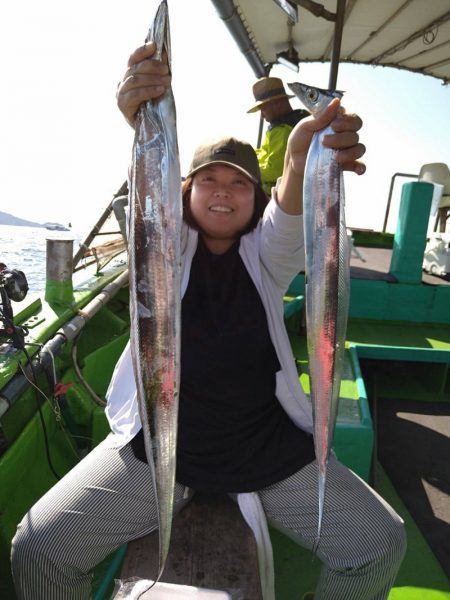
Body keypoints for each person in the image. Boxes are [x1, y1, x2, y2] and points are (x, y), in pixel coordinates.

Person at [11, 41, 406, 600]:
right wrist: (141, 118)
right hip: (157, 451)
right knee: (39, 550)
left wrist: (299, 156)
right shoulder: (164, 246)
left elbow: (292, 201)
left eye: (240, 183)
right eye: (209, 180)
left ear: (256, 197)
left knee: (377, 544)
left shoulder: (269, 255)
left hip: (265, 450)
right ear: (185, 192)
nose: (224, 190)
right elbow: (152, 194)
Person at [248, 76, 310, 195]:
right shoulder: (288, 125)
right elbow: (263, 153)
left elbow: (275, 170)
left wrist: (248, 167)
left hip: (284, 199)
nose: (262, 116)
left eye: (263, 109)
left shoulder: (283, 130)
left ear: (277, 103)